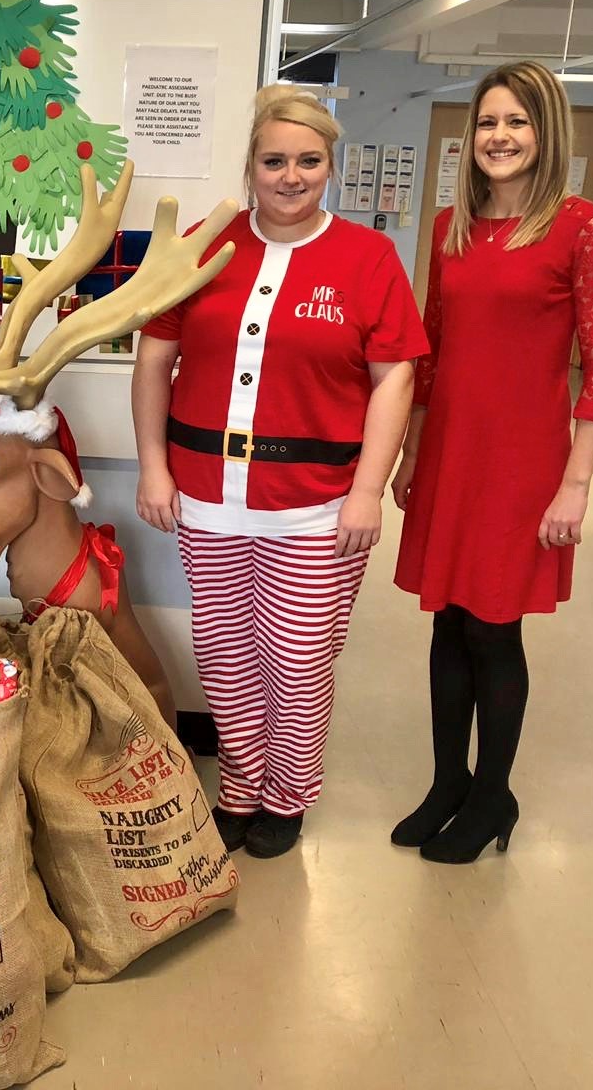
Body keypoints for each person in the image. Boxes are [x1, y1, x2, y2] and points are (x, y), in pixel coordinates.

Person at [133, 87, 427, 859]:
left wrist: (369, 487)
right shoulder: (205, 243)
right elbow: (155, 359)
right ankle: (239, 785)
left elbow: (396, 376)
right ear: (251, 165)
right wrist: (154, 470)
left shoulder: (368, 259)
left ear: (330, 165)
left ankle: (288, 797)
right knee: (225, 659)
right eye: (274, 161)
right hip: (207, 497)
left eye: (308, 161)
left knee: (297, 664)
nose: (290, 176)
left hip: (316, 504)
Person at [390, 61, 593, 864]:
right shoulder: (451, 225)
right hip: (452, 450)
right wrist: (413, 449)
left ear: (545, 131)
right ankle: (447, 782)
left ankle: (494, 795)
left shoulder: (580, 226)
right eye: (488, 122)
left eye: (517, 122)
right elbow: (431, 347)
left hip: (524, 460)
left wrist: (577, 483)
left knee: (494, 626)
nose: (499, 136)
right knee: (447, 622)